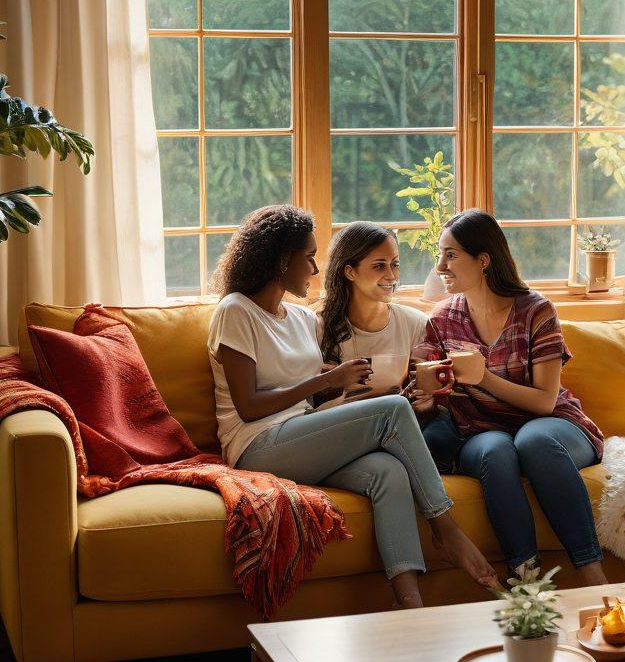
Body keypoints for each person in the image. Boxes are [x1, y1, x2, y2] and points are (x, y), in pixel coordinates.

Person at [206, 204, 498, 609]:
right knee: (394, 410)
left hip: (302, 434)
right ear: (278, 260)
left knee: (389, 471)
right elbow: (250, 406)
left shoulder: (299, 318)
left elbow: (309, 394)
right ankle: (446, 529)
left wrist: (352, 392)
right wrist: (328, 380)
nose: (314, 268)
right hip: (256, 445)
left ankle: (411, 605)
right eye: (307, 257)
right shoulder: (236, 310)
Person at [412, 209, 609, 585]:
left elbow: (544, 402)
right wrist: (425, 399)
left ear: (483, 259)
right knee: (495, 450)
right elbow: (434, 391)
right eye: (440, 254)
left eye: (450, 255)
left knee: (532, 440)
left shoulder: (536, 311)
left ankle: (593, 576)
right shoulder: (441, 320)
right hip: (480, 432)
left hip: (551, 428)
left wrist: (483, 377)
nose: (440, 266)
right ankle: (527, 582)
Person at [316, 222, 430, 400]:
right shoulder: (317, 326)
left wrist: (423, 401)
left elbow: (422, 391)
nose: (392, 276)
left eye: (395, 264)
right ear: (350, 272)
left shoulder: (415, 324)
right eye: (379, 266)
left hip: (395, 422)